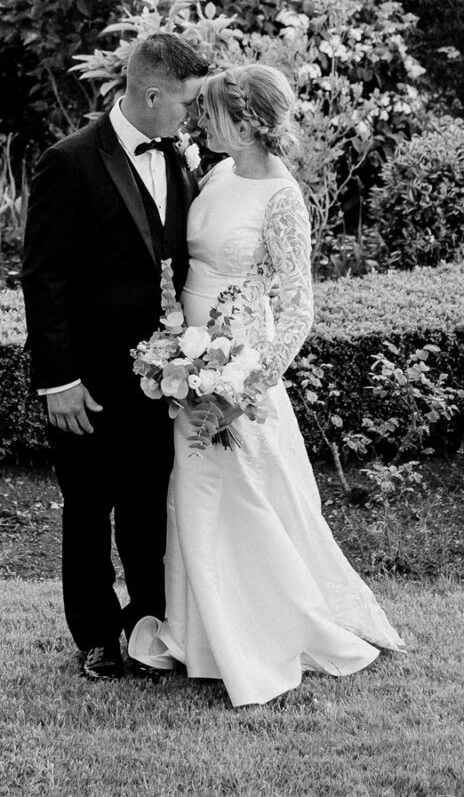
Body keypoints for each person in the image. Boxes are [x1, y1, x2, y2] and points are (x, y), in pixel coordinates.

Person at [127, 61, 405, 707]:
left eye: (216, 113)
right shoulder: (217, 173)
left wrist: (246, 387)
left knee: (245, 497)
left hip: (237, 374)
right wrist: (177, 346)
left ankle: (262, 631)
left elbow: (298, 306)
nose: (202, 120)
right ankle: (199, 636)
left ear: (249, 121)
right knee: (192, 494)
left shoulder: (282, 197)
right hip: (189, 363)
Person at [20, 30, 210, 682]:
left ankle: (148, 625)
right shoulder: (69, 161)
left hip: (162, 378)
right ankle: (96, 634)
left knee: (146, 506)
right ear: (151, 92)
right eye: (184, 103)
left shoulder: (181, 158)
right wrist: (60, 380)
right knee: (88, 507)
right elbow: (42, 280)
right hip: (89, 382)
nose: (189, 116)